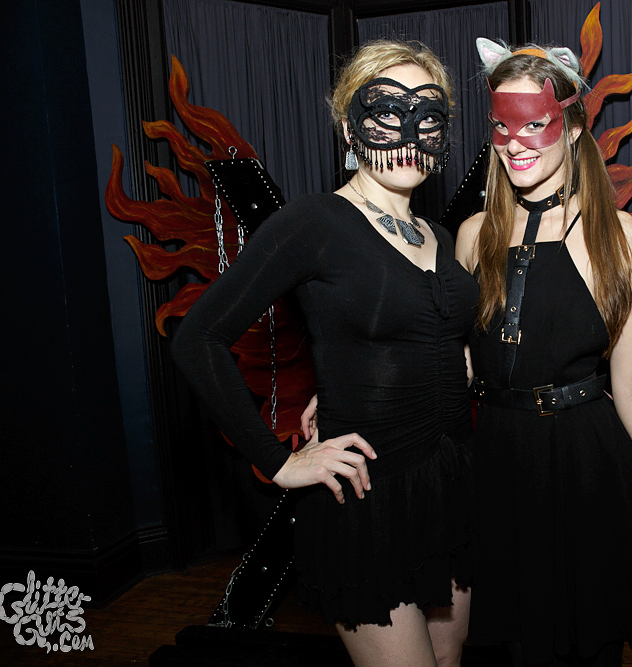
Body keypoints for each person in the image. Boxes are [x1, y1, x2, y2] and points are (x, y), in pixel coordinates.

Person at [172, 40, 478, 667]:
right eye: (386, 112)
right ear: (348, 125)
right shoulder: (313, 222)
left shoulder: (440, 237)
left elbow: (422, 339)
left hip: (446, 484)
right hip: (366, 498)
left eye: (427, 115)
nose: (408, 133)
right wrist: (278, 463)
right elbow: (198, 338)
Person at [454, 39, 632, 666]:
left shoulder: (622, 238)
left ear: (571, 125)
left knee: (588, 650)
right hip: (497, 468)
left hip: (586, 469)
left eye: (534, 124)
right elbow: (454, 368)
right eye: (502, 126)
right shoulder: (473, 236)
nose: (515, 143)